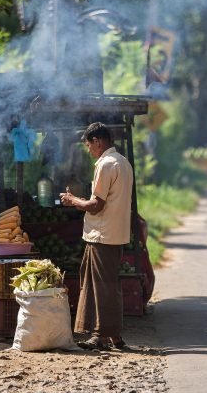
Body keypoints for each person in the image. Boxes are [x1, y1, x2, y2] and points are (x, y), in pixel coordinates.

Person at [59, 122, 133, 351]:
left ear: (97, 141)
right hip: (114, 233)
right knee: (107, 284)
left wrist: (73, 201)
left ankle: (102, 335)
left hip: (102, 234)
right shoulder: (123, 162)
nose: (88, 150)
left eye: (89, 145)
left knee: (101, 286)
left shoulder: (106, 164)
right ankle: (111, 336)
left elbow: (95, 205)